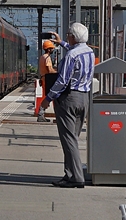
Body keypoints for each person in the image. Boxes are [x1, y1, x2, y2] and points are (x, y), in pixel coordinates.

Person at [46, 22, 96, 188]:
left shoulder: (71, 56)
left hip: (69, 99)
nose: (67, 36)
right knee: (72, 138)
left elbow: (62, 80)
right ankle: (69, 174)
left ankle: (76, 177)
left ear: (73, 37)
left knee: (68, 140)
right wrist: (61, 43)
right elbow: (74, 49)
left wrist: (48, 97)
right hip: (84, 99)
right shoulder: (89, 52)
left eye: (68, 34)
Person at [36, 40, 59, 122]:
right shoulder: (47, 58)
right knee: (52, 96)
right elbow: (49, 70)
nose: (52, 50)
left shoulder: (42, 57)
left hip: (43, 78)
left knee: (48, 96)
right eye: (51, 48)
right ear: (48, 49)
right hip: (48, 79)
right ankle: (41, 114)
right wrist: (57, 72)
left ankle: (41, 114)